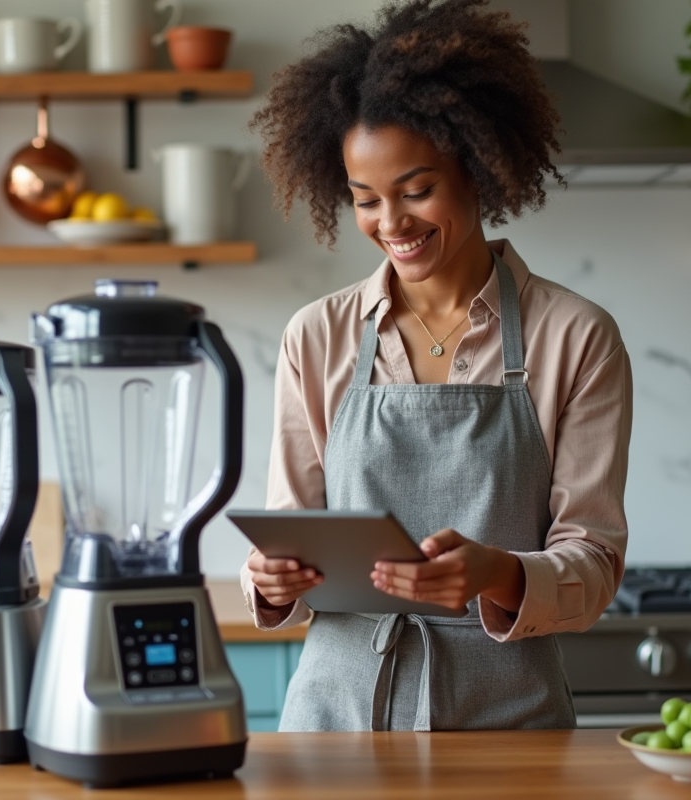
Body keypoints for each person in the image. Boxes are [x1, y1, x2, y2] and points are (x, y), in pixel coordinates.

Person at [240, 0, 633, 732]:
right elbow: (291, 530)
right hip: (336, 720)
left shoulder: (576, 336)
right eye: (365, 201)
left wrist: (496, 572)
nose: (391, 224)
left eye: (416, 191)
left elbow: (593, 560)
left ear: (480, 171)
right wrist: (269, 578)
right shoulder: (318, 335)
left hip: (508, 722)